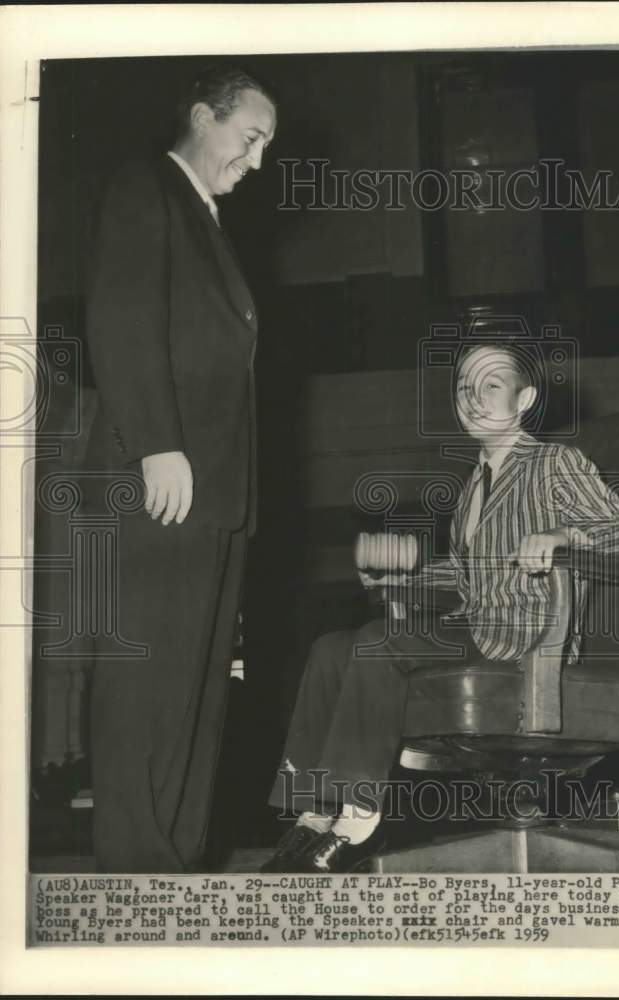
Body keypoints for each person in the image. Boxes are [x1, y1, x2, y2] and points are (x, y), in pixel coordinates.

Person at [264, 340, 619, 873]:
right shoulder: (474, 483)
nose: (473, 398)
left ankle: (360, 817)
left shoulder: (553, 462)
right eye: (463, 388)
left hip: (526, 637)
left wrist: (563, 535)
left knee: (377, 644)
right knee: (331, 648)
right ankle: (315, 812)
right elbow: (470, 575)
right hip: (475, 626)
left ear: (524, 400)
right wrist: (405, 576)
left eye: (491, 385)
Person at [83, 65, 277, 873]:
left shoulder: (202, 216)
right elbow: (122, 321)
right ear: (203, 117)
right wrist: (160, 443)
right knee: (149, 682)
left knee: (197, 691)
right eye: (250, 138)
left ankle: (180, 867)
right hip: (164, 479)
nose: (258, 161)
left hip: (215, 493)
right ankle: (137, 867)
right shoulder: (146, 188)